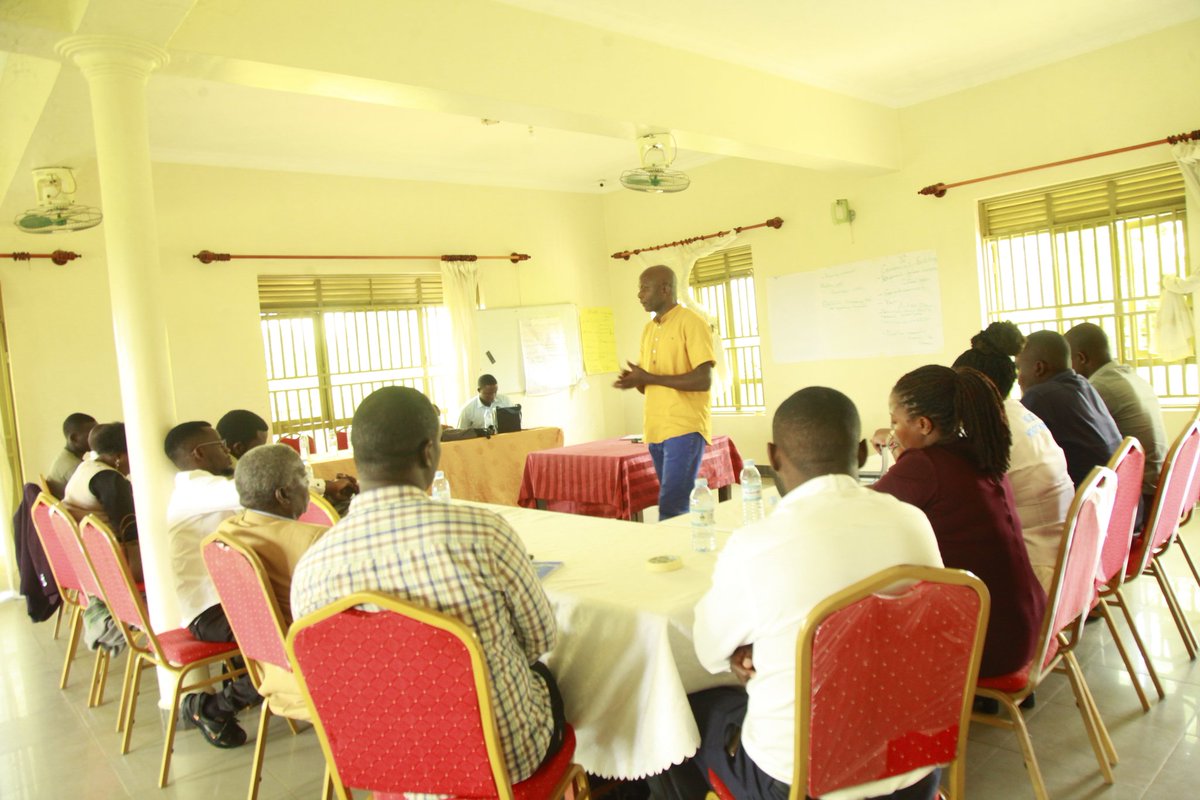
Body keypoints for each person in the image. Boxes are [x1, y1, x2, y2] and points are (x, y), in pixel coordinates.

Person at [650, 387, 944, 800]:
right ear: (860, 453)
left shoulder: (757, 544)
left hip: (800, 784)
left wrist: (751, 650)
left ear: (773, 457)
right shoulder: (913, 522)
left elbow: (707, 652)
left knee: (676, 715)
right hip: (916, 769)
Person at [291, 386, 564, 783]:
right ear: (428, 453)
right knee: (553, 677)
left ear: (358, 457)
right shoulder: (482, 534)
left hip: (382, 763)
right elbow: (540, 639)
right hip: (500, 762)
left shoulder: (312, 566)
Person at [873, 365, 1045, 679]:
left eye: (895, 421)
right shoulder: (978, 454)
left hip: (988, 644)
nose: (892, 430)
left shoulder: (924, 467)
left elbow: (863, 511)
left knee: (867, 617)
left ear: (923, 424)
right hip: (1027, 626)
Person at [209, 443, 328, 719]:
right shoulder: (310, 541)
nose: (308, 485)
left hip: (270, 671)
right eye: (303, 477)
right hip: (315, 676)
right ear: (283, 494)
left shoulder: (225, 534)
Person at [952, 323, 1074, 591]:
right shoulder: (1020, 414)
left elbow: (962, 504)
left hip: (1038, 572)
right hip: (1069, 559)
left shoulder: (992, 429)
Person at [164, 420, 256, 748]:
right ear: (199, 453)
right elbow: (256, 491)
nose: (228, 449)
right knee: (281, 644)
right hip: (210, 610)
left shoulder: (205, 490)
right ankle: (212, 708)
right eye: (221, 443)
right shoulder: (196, 489)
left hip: (226, 602)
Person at [613, 265, 716, 520]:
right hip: (655, 429)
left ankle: (674, 557)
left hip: (684, 427)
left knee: (671, 506)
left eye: (644, 288)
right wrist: (636, 380)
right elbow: (650, 384)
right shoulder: (649, 329)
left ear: (665, 289)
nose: (639, 295)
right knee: (678, 507)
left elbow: (704, 380)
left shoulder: (692, 322)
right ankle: (691, 549)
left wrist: (648, 377)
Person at [1064, 322, 1167, 506]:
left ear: (1081, 358)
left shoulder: (1100, 387)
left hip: (1141, 494)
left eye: (1067, 361)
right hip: (1160, 486)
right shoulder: (1129, 376)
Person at [1016, 330, 1121, 487]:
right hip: (1118, 495)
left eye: (1019, 369)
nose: (1018, 380)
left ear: (1039, 368)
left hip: (1090, 502)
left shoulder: (1041, 396)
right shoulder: (1084, 385)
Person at [216, 409, 358, 506]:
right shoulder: (224, 479)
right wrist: (328, 486)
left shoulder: (242, 468)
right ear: (239, 448)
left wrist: (329, 490)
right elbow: (271, 488)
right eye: (260, 445)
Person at [62, 422, 141, 573]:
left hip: (87, 555)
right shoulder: (111, 480)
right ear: (118, 456)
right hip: (112, 562)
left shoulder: (86, 467)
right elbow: (129, 530)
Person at [45, 412, 96, 498]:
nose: (96, 438)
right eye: (91, 435)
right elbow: (95, 495)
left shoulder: (65, 457)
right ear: (74, 438)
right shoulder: (73, 467)